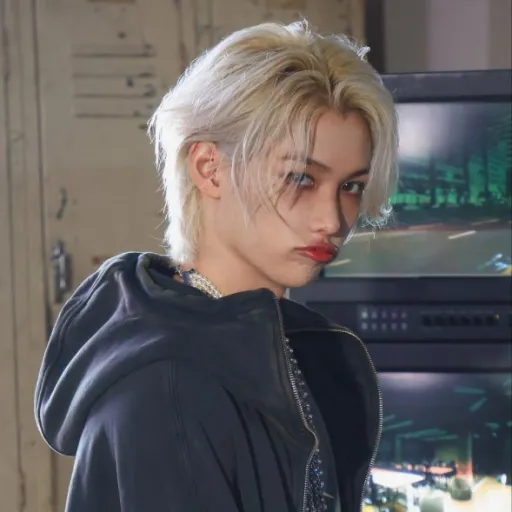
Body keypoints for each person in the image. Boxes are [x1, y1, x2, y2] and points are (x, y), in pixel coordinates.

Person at [34, 20, 398, 512]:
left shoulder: (298, 349)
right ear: (209, 169)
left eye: (350, 187)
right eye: (300, 178)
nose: (332, 220)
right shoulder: (169, 388)